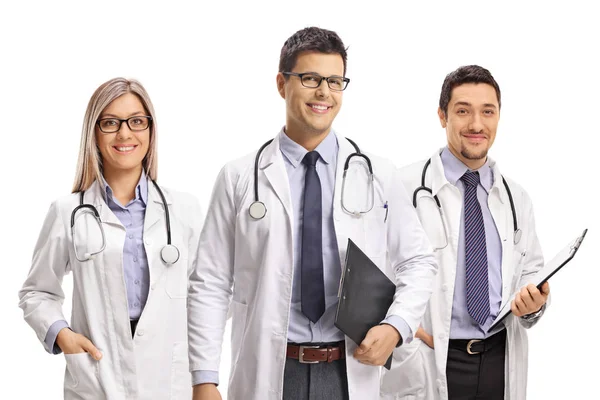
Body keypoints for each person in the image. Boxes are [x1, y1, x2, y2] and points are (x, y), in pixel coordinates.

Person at [187, 27, 438, 400]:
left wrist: (397, 325)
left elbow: (418, 260)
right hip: (269, 370)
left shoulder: (376, 173)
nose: (324, 92)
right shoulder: (239, 177)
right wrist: (204, 379)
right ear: (281, 83)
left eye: (335, 81)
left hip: (348, 369)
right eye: (310, 78)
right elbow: (210, 282)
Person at [18, 78, 203, 399]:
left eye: (136, 121)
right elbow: (36, 292)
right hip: (97, 374)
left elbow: (210, 292)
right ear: (94, 133)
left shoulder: (184, 209)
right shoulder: (68, 211)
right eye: (110, 123)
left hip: (168, 375)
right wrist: (62, 335)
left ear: (150, 130)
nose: (125, 133)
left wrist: (189, 348)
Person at [380, 65, 550, 400]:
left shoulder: (517, 198)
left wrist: (535, 304)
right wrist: (402, 327)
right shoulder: (403, 187)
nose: (476, 124)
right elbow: (371, 270)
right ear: (442, 116)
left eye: (488, 112)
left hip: (500, 358)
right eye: (463, 111)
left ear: (498, 117)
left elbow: (531, 271)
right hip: (429, 357)